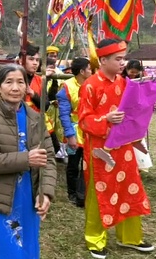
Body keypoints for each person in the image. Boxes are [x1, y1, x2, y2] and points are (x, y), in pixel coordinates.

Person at [78, 39, 153, 259]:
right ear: (103, 60)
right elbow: (83, 121)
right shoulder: (90, 85)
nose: (123, 63)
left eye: (123, 58)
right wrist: (105, 119)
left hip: (124, 147)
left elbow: (133, 111)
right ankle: (95, 239)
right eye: (118, 59)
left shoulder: (124, 82)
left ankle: (130, 237)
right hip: (100, 149)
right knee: (99, 193)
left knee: (130, 189)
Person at [0, 64, 56, 258]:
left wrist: (45, 192)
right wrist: (26, 159)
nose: (15, 88)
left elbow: (49, 158)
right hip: (1, 198)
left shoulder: (36, 119)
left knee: (27, 249)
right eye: (9, 82)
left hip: (29, 197)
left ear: (27, 87)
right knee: (8, 251)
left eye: (21, 82)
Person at [57, 57, 91, 207]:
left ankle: (83, 194)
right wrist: (70, 136)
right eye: (89, 68)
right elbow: (64, 115)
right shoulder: (67, 87)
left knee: (88, 164)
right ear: (82, 71)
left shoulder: (92, 84)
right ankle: (72, 193)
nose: (92, 71)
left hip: (90, 130)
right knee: (73, 164)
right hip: (74, 131)